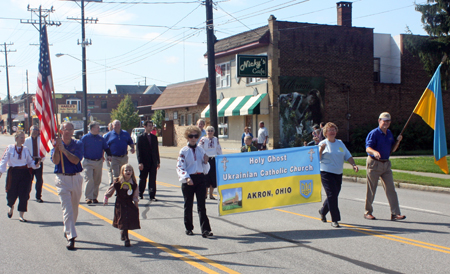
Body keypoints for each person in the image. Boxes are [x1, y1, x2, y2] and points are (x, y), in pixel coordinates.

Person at [364, 112, 405, 221]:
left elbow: (393, 149)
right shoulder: (374, 133)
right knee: (371, 189)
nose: (386, 123)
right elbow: (368, 148)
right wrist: (374, 152)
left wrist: (398, 142)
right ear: (379, 121)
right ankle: (368, 212)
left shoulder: (389, 133)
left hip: (386, 164)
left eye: (388, 121)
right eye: (384, 120)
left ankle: (395, 213)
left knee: (391, 189)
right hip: (374, 163)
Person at [318, 122, 358, 228]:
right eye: (330, 130)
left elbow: (347, 155)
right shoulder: (322, 143)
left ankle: (323, 211)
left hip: (338, 173)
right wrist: (321, 150)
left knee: (334, 195)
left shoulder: (340, 143)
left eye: (334, 130)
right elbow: (317, 159)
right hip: (326, 172)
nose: (332, 132)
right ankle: (335, 219)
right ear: (325, 132)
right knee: (332, 195)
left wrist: (353, 165)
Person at [51, 122, 84, 250]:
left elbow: (76, 160)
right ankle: (71, 237)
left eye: (71, 129)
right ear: (61, 131)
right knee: (67, 209)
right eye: (66, 130)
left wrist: (64, 150)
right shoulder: (56, 144)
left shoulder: (78, 144)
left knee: (74, 210)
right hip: (61, 179)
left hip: (75, 178)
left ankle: (68, 228)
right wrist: (57, 149)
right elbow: (56, 161)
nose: (69, 132)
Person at [176, 126, 213, 238]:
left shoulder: (201, 150)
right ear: (187, 137)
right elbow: (180, 166)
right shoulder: (184, 151)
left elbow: (206, 169)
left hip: (200, 178)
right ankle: (189, 227)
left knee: (202, 205)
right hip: (189, 179)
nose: (193, 138)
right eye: (191, 136)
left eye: (195, 136)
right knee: (188, 204)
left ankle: (205, 229)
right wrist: (186, 177)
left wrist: (206, 162)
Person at [1, 131, 40, 222]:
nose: (23, 139)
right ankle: (11, 206)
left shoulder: (25, 149)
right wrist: (1, 171)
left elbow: (30, 161)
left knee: (24, 193)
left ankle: (21, 215)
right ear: (16, 138)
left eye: (24, 137)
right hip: (13, 172)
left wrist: (36, 165)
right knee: (11, 192)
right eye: (21, 138)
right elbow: (4, 160)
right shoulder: (10, 148)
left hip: (24, 172)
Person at [104, 164, 140, 247]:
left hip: (129, 204)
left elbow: (135, 196)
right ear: (122, 172)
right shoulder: (118, 182)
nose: (128, 172)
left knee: (127, 219)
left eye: (130, 170)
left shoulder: (134, 184)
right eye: (126, 170)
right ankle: (126, 238)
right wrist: (106, 198)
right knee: (123, 218)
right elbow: (111, 190)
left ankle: (124, 232)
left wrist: (136, 206)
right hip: (120, 204)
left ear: (132, 172)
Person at [81, 121, 112, 204]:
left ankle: (94, 197)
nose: (99, 129)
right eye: (97, 127)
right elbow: (80, 148)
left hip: (98, 161)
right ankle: (88, 197)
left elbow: (106, 148)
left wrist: (109, 155)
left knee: (97, 180)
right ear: (92, 128)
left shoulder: (101, 138)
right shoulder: (85, 138)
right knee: (89, 179)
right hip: (88, 161)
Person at [103, 120, 135, 185]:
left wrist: (132, 148)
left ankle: (123, 187)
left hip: (123, 157)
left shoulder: (125, 133)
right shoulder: (109, 135)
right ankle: (117, 190)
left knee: (124, 173)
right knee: (116, 174)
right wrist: (102, 155)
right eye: (115, 125)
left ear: (120, 125)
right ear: (112, 126)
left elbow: (130, 142)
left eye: (118, 124)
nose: (117, 126)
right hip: (114, 157)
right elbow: (104, 146)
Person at [136, 120, 160, 201]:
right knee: (143, 178)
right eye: (149, 125)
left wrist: (158, 161)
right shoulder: (140, 137)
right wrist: (140, 162)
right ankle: (140, 193)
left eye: (151, 125)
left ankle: (152, 195)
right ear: (145, 127)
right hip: (144, 162)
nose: (150, 127)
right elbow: (138, 151)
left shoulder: (154, 137)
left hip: (153, 161)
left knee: (152, 179)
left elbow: (156, 150)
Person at [199, 126, 222, 200]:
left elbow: (218, 148)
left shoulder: (215, 139)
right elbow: (200, 148)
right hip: (206, 159)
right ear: (206, 132)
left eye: (211, 131)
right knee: (206, 177)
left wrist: (221, 157)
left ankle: (211, 194)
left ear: (214, 132)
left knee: (213, 177)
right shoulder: (203, 139)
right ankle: (205, 194)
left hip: (213, 159)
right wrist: (203, 157)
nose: (210, 132)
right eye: (208, 131)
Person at [24, 125, 46, 203]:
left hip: (38, 161)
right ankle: (26, 195)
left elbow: (44, 151)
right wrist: (28, 160)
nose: (35, 131)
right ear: (30, 130)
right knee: (29, 180)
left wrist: (41, 160)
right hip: (29, 162)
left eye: (37, 130)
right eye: (34, 129)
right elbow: (24, 152)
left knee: (39, 180)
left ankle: (38, 197)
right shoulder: (26, 141)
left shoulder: (41, 140)